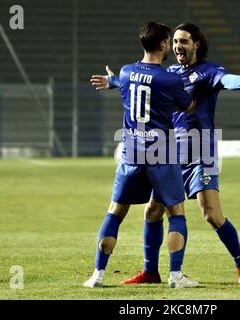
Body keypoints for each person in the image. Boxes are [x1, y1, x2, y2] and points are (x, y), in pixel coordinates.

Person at [91, 23, 240, 285]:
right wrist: (114, 82)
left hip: (201, 149)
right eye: (176, 41)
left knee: (211, 214)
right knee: (152, 212)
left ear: (196, 45)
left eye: (184, 42)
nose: (179, 46)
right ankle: (151, 272)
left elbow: (226, 80)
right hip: (168, 151)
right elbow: (144, 86)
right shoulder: (168, 72)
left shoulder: (209, 71)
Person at [83, 22, 198, 289]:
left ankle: (97, 275)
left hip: (132, 153)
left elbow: (124, 82)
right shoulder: (170, 78)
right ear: (161, 45)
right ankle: (176, 276)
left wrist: (113, 80)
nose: (170, 46)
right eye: (169, 42)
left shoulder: (126, 72)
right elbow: (189, 105)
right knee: (176, 213)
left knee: (114, 213)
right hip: (162, 154)